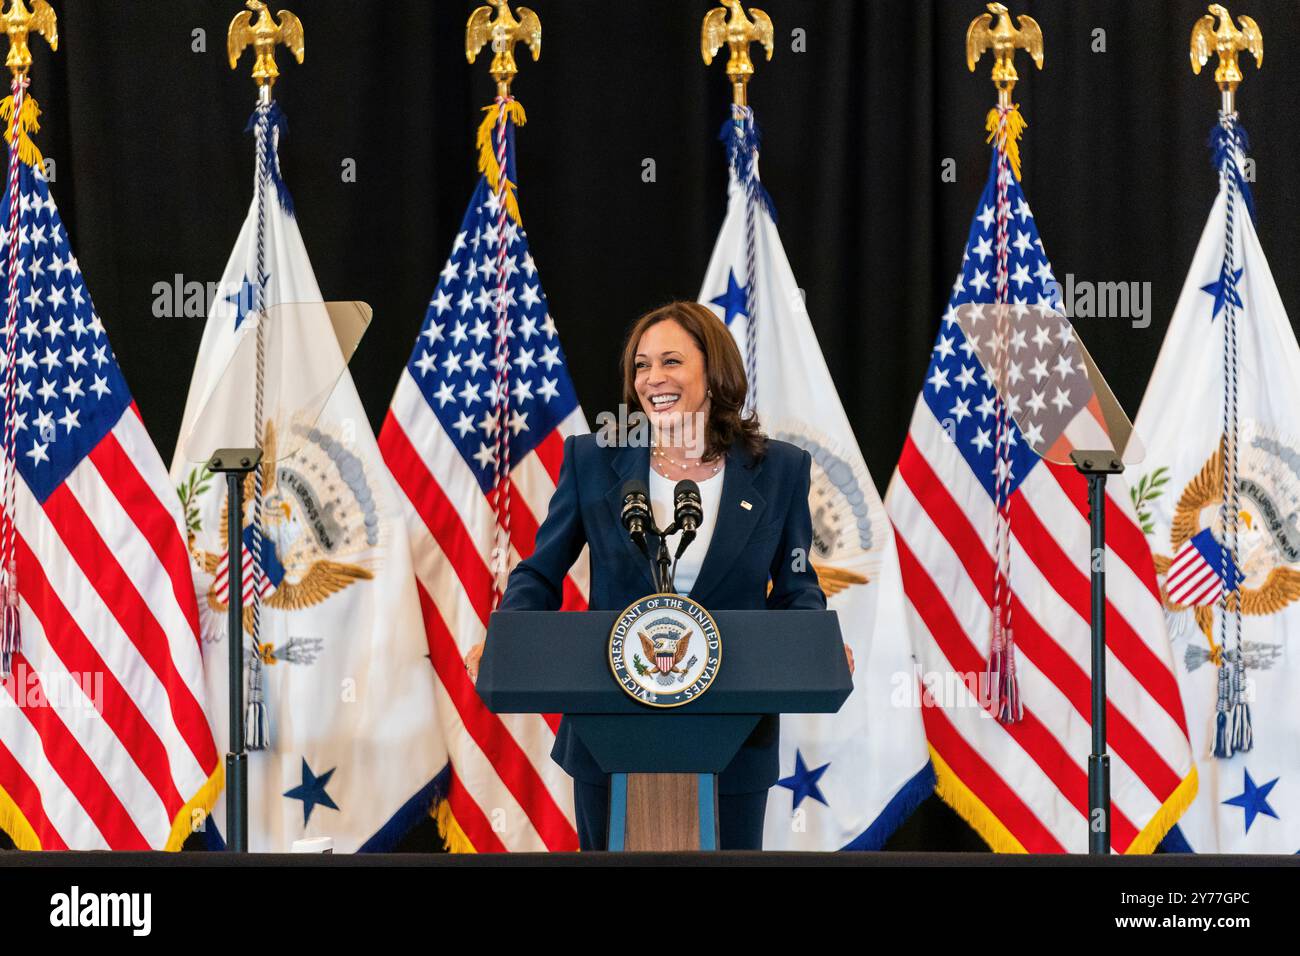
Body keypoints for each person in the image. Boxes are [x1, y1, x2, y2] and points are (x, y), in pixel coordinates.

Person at [464, 300, 852, 850]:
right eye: (641, 366)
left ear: (713, 371)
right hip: (610, 731)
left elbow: (795, 585)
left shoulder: (778, 469)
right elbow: (540, 571)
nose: (652, 379)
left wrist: (816, 646)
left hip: (735, 735)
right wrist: (507, 641)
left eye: (671, 361)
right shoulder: (595, 458)